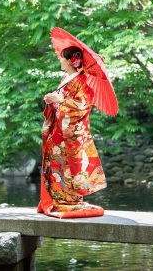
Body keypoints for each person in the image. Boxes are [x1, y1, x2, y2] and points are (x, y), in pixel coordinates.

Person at [37, 45, 106, 219]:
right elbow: (61, 100)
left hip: (71, 132)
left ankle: (70, 200)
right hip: (58, 129)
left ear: (70, 61)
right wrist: (51, 100)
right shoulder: (66, 78)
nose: (59, 60)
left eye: (62, 57)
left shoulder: (82, 80)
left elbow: (83, 105)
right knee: (55, 162)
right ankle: (57, 199)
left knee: (69, 164)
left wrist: (59, 100)